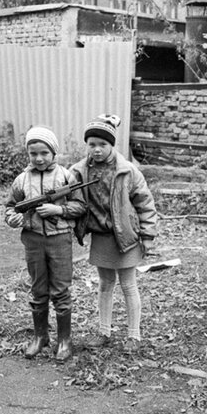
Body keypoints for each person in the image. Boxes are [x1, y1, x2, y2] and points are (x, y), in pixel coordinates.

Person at [69, 115, 158, 353]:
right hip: (102, 237)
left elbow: (145, 203)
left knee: (128, 285)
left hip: (126, 237)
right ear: (86, 145)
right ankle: (104, 332)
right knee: (105, 283)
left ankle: (134, 335)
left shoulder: (127, 171)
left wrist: (147, 236)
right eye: (92, 144)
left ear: (112, 145)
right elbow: (68, 196)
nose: (97, 150)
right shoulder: (79, 171)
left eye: (103, 144)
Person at [5, 126, 86, 361]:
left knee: (61, 290)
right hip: (33, 240)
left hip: (60, 239)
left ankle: (64, 340)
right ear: (28, 154)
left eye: (44, 153)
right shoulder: (21, 180)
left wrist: (58, 209)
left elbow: (80, 206)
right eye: (33, 154)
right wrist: (14, 219)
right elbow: (10, 207)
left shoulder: (66, 177)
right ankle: (40, 336)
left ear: (54, 153)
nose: (39, 158)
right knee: (38, 289)